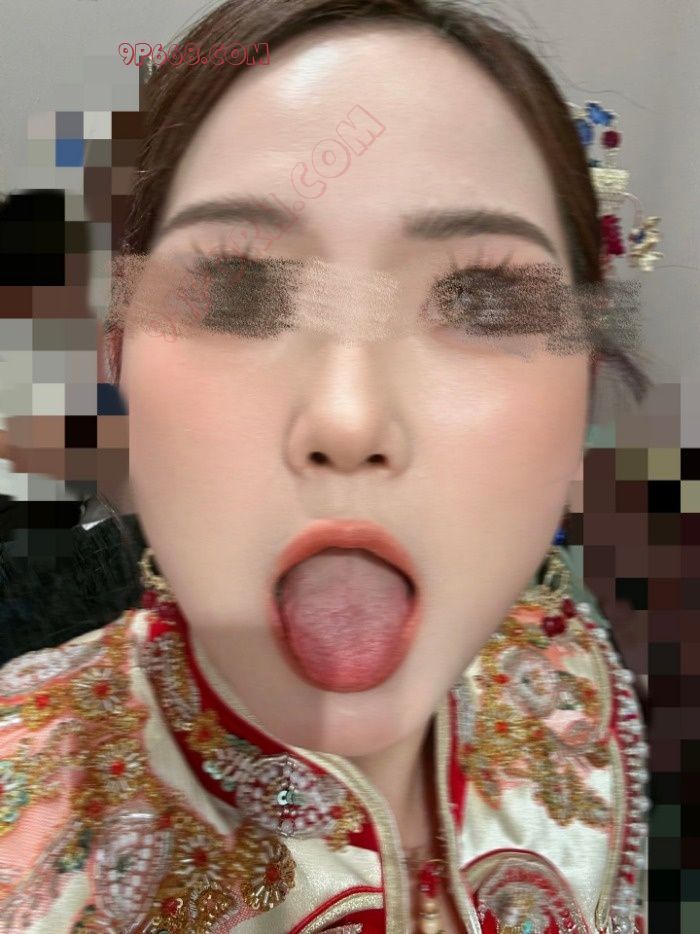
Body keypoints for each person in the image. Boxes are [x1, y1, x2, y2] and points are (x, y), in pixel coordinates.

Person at [0, 1, 649, 931]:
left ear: (583, 385)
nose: (349, 419)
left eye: (481, 300)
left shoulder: (581, 686)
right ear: (117, 359)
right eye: (236, 293)